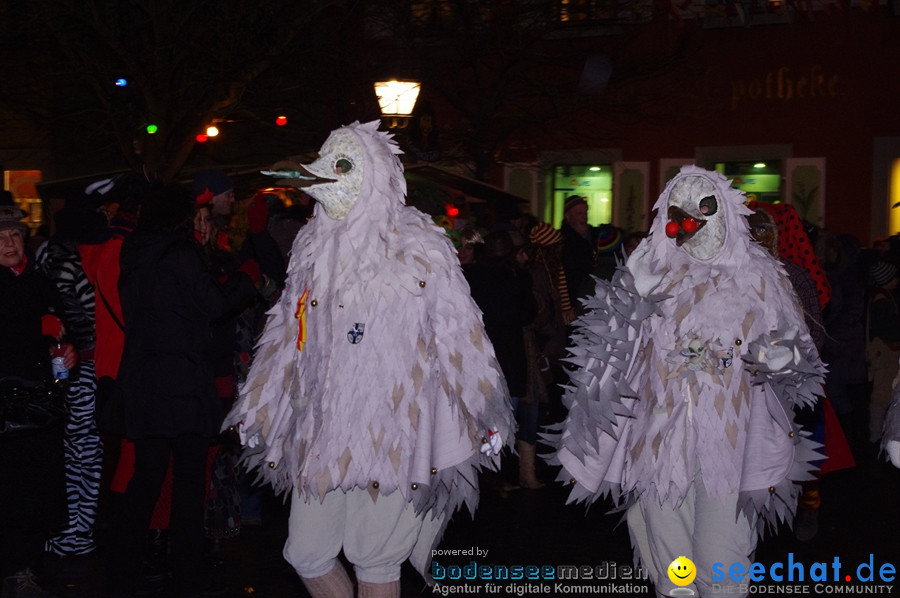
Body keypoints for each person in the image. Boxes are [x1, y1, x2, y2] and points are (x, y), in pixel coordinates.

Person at [223, 121, 514, 598]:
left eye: (341, 166)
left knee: (375, 559)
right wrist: (259, 403)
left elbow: (460, 333)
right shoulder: (310, 247)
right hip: (322, 428)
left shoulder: (419, 246)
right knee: (306, 551)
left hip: (395, 427)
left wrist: (483, 408)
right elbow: (286, 334)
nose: (325, 177)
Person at [548, 167, 825, 598]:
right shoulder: (652, 275)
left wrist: (771, 356)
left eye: (704, 209)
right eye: (681, 210)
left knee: (722, 569)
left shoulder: (762, 280)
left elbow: (798, 371)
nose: (692, 221)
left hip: (730, 453)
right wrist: (626, 300)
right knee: (675, 575)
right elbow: (599, 361)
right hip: (658, 449)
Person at [105, 183, 257, 598]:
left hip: (144, 382)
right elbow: (215, 305)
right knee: (189, 488)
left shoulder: (133, 254)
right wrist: (247, 278)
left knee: (146, 480)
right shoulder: (180, 253)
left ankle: (123, 573)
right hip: (183, 385)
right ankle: (187, 576)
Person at [0, 205, 73, 597]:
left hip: (39, 403)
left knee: (37, 488)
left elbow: (61, 330)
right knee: (10, 488)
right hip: (6, 406)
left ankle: (24, 567)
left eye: (14, 236)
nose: (9, 244)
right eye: (0, 238)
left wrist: (65, 352)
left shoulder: (39, 280)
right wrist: (37, 330)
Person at [464, 230, 539, 489]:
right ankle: (498, 472)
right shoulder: (517, 278)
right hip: (509, 358)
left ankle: (483, 471)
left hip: (477, 356)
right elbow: (529, 314)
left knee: (479, 414)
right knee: (504, 417)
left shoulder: (469, 276)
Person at [866, 260, 900, 447]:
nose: (897, 280)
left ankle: (877, 434)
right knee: (882, 393)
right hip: (884, 352)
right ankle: (876, 435)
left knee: (883, 392)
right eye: (894, 277)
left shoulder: (880, 296)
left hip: (882, 351)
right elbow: (887, 329)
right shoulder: (882, 301)